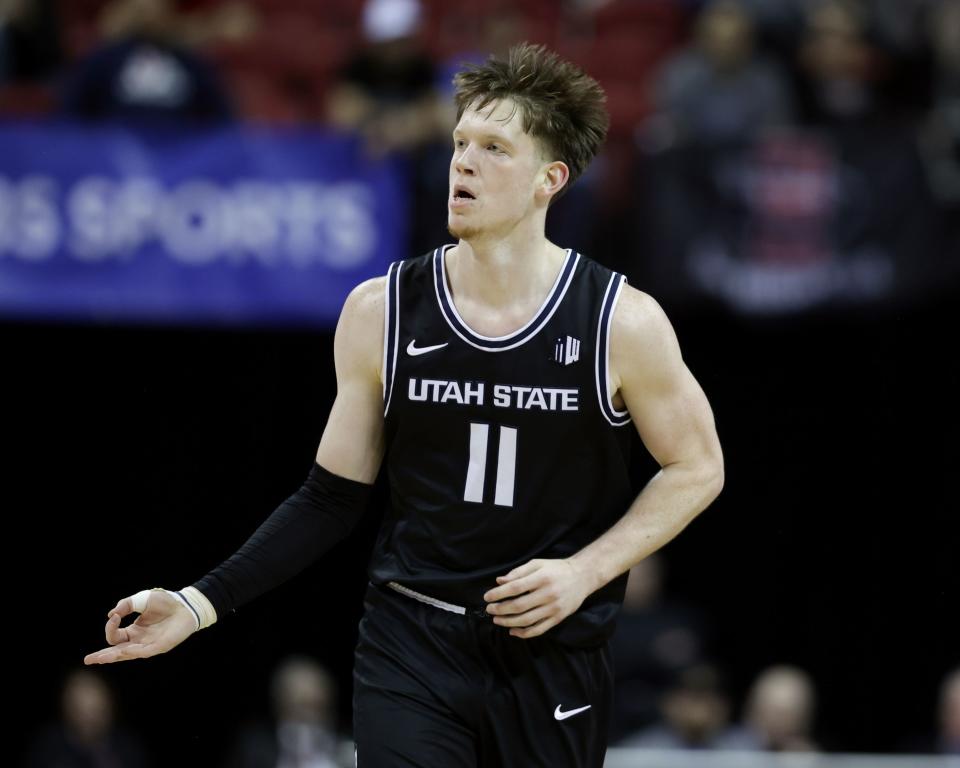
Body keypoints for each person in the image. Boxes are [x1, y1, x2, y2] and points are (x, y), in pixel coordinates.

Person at [84, 42, 724, 767]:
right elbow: (328, 500)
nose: (464, 162)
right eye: (458, 143)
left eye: (493, 148)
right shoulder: (381, 311)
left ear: (551, 178)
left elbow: (698, 467)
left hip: (552, 651)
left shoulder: (620, 321)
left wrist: (585, 571)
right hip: (410, 643)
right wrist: (199, 604)